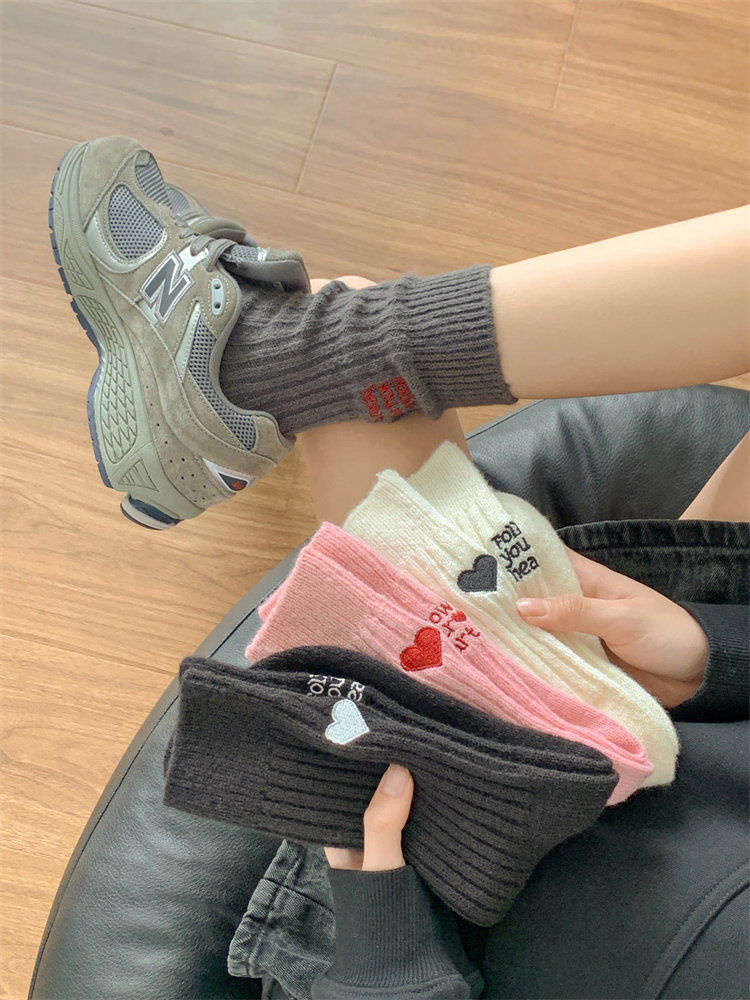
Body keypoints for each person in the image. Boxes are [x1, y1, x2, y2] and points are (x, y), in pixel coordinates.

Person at [49, 135, 748, 998]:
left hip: (487, 863)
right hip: (686, 734)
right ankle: (287, 358)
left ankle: (267, 359)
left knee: (347, 364)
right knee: (349, 357)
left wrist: (390, 961)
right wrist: (716, 653)